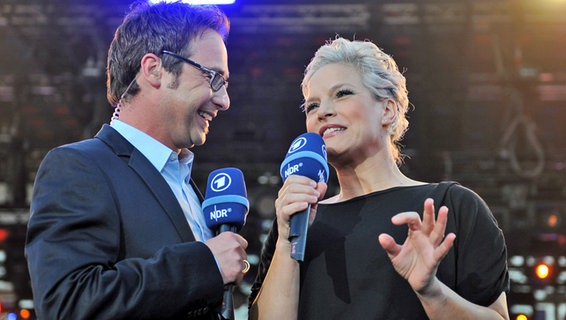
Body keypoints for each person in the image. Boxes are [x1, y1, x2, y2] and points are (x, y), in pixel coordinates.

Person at [248, 37, 510, 319]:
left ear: (387, 110)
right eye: (312, 106)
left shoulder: (450, 207)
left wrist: (431, 291)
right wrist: (287, 241)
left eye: (342, 93)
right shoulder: (296, 220)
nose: (322, 111)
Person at [25, 2, 249, 319]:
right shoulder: (79, 166)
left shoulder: (184, 184)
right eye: (213, 77)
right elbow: (69, 303)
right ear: (153, 69)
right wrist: (204, 264)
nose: (223, 100)